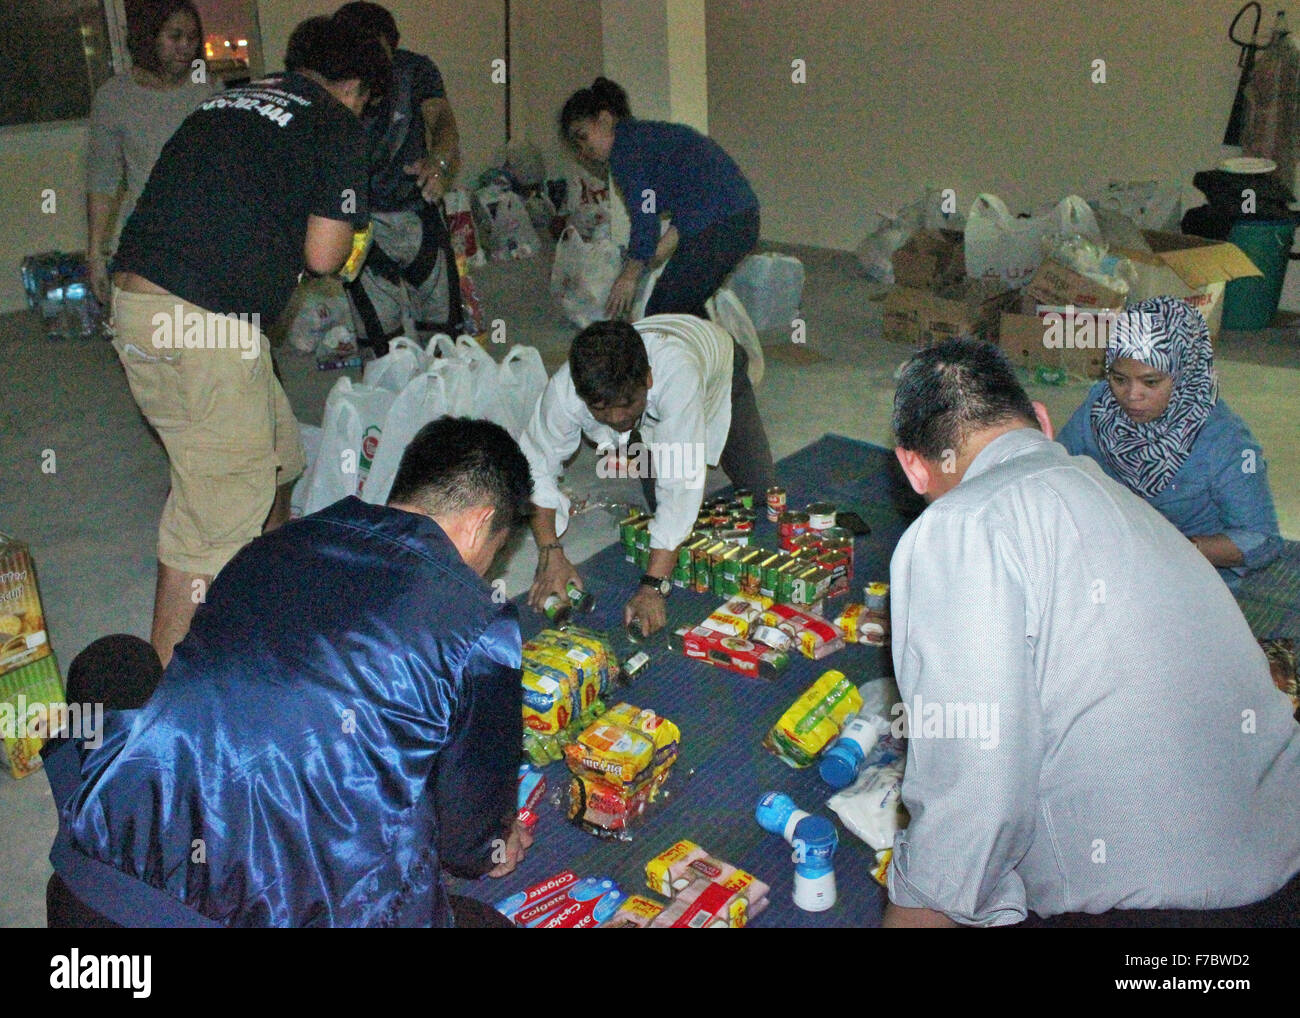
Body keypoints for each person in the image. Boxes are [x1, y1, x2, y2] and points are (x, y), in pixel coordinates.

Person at [45, 417, 534, 928]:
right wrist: (495, 843)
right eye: (495, 554)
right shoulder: (478, 625)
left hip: (94, 895)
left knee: (119, 661)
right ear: (482, 522)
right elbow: (463, 839)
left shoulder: (272, 545)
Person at [884, 337, 1300, 928]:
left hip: (1175, 920)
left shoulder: (959, 525)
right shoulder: (1121, 501)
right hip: (1280, 848)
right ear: (1044, 424)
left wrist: (916, 907)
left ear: (912, 464)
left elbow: (975, 799)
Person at [110, 16, 387, 667]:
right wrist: (344, 230)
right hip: (202, 326)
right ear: (354, 89)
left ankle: (268, 601)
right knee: (209, 527)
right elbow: (325, 255)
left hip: (143, 305)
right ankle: (172, 709)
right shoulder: (335, 122)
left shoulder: (232, 97)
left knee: (280, 459)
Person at [520, 315, 775, 637]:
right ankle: (644, 430)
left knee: (762, 492)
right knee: (659, 509)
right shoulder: (567, 390)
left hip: (717, 364)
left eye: (626, 404)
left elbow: (680, 485)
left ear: (649, 379)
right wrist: (550, 551)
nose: (615, 418)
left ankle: (667, 426)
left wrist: (653, 587)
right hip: (657, 391)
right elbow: (533, 464)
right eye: (601, 409)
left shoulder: (676, 376)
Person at [1057, 296, 1282, 591]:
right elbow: (1057, 466)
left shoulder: (1226, 442)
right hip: (1112, 547)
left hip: (1189, 571)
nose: (1131, 395)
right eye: (1119, 378)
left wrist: (1173, 549)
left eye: (1151, 382)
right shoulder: (1100, 408)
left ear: (1184, 374)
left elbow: (1261, 539)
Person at [560, 77, 760, 320]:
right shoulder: (641, 139)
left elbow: (646, 217)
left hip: (725, 224)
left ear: (604, 120)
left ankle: (730, 356)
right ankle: (720, 353)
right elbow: (691, 200)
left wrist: (629, 276)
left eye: (583, 136)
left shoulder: (626, 152)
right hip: (738, 217)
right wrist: (645, 259)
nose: (583, 150)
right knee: (680, 302)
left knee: (665, 310)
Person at [333, 1, 467, 350]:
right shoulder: (333, 82)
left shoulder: (415, 70)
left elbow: (441, 120)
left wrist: (439, 161)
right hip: (361, 219)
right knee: (381, 342)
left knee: (444, 334)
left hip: (416, 208)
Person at [85, 0, 219, 305]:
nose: (185, 46)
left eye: (192, 38)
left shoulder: (208, 90)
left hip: (204, 238)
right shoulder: (114, 98)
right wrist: (95, 254)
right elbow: (102, 179)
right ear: (150, 37)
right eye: (174, 36)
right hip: (147, 241)